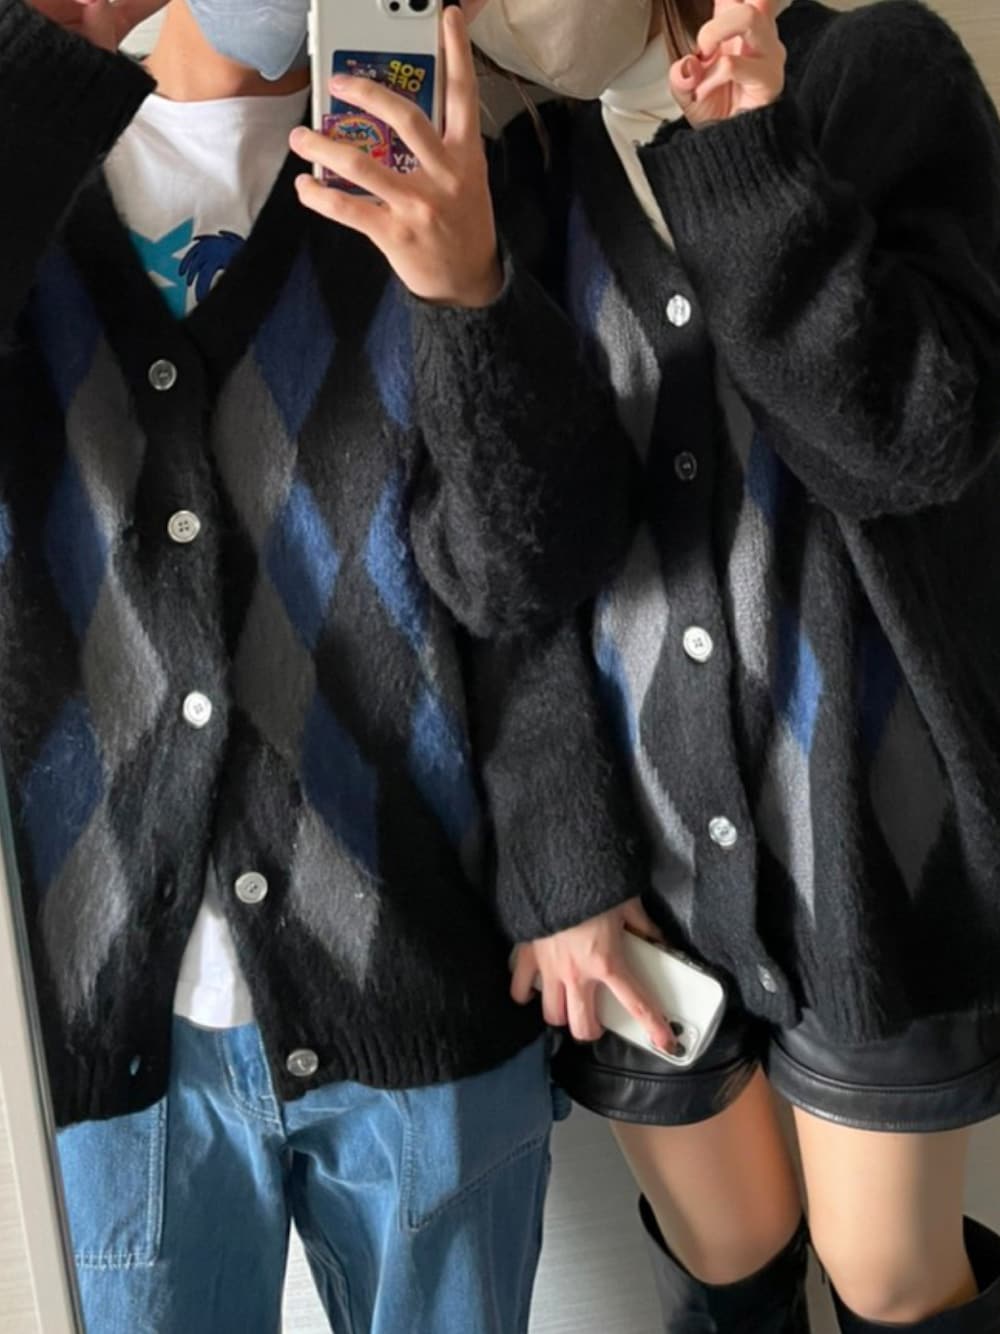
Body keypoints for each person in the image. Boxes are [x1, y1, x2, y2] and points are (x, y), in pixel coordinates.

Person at [0, 0, 674, 1328]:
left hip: (417, 983)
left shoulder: (445, 167)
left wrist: (470, 290)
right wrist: (63, 35)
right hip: (103, 1038)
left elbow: (525, 580)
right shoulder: (33, 179)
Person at [467, 0, 1000, 1330]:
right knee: (728, 1257)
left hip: (874, 854)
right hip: (636, 861)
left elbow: (911, 443)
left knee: (889, 1277)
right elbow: (504, 574)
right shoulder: (514, 161)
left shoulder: (879, 71)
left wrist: (754, 165)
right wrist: (557, 860)